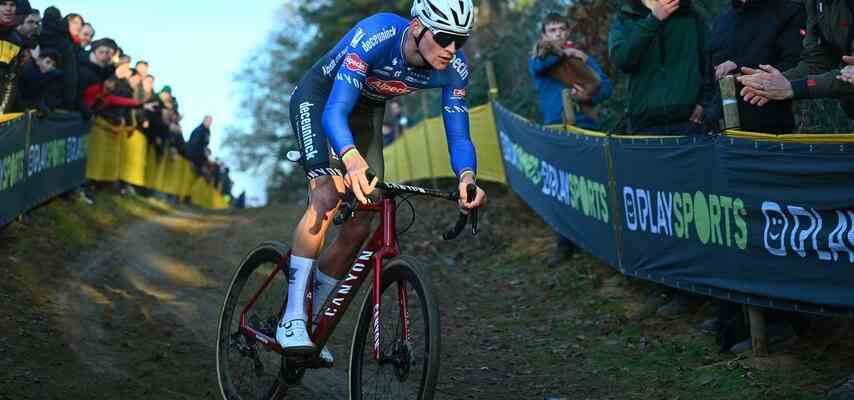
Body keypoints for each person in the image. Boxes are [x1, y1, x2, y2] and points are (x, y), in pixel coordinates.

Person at [277, 0, 487, 364]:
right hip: (322, 100)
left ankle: (312, 319)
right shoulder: (378, 34)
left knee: (362, 221)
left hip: (367, 110)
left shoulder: (454, 68)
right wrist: (350, 159)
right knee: (327, 196)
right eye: (445, 37)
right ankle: (291, 317)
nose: (452, 49)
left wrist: (467, 176)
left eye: (461, 40)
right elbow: (335, 111)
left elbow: (458, 134)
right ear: (419, 27)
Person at [529, 12, 612, 267]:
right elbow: (541, 66)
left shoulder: (580, 58)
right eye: (552, 30)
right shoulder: (540, 59)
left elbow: (605, 86)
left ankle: (599, 239)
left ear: (568, 32)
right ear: (544, 35)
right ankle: (565, 243)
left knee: (591, 184)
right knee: (562, 187)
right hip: (556, 129)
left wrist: (587, 97)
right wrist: (567, 54)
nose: (557, 34)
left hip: (584, 127)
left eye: (561, 29)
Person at [738, 0, 854, 120]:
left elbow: (849, 77)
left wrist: (794, 87)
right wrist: (773, 82)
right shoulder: (814, 4)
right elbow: (817, 62)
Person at [608, 0, 711, 135]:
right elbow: (621, 60)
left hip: (689, 122)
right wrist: (653, 20)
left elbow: (710, 62)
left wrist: (704, 103)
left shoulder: (693, 14)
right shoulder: (626, 15)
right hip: (644, 123)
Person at [703, 0, 804, 133]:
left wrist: (741, 68)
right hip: (719, 127)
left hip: (767, 127)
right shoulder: (723, 18)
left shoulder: (788, 10)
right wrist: (708, 110)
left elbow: (795, 64)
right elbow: (709, 71)